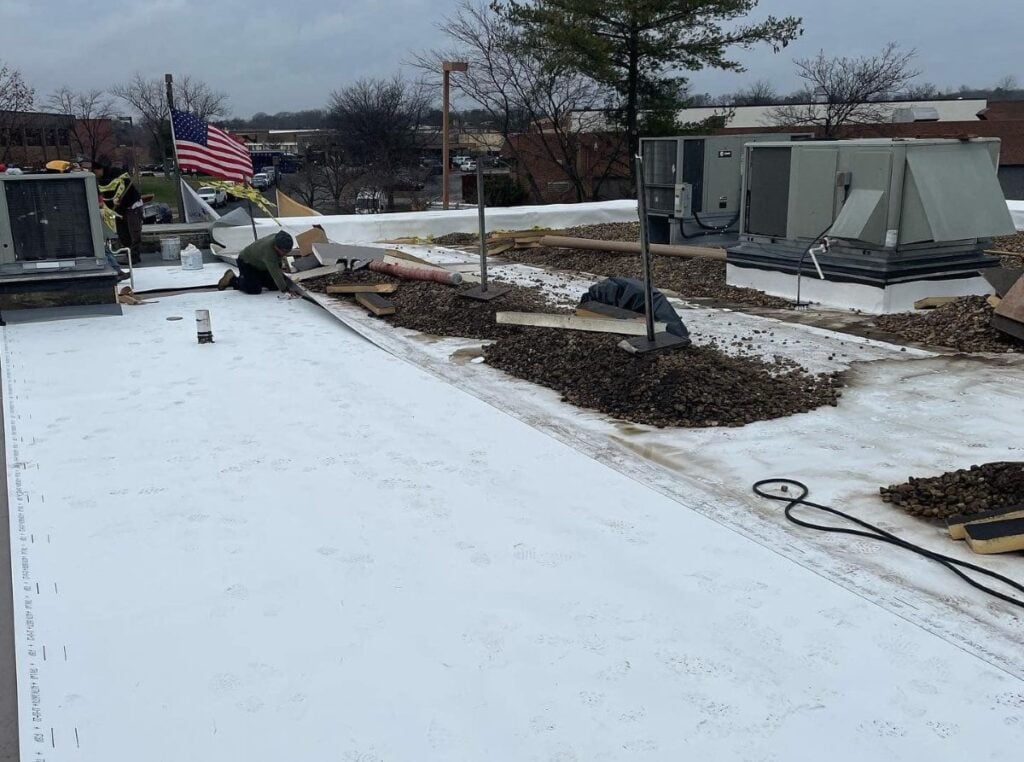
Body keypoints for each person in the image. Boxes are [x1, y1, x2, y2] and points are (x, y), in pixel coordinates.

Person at [91, 156, 143, 265]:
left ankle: (134, 256)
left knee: (134, 232)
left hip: (132, 205)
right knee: (122, 233)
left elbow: (125, 189)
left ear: (101, 169)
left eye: (96, 171)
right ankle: (128, 254)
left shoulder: (118, 174)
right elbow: (104, 195)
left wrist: (119, 200)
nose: (95, 174)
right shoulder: (101, 180)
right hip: (118, 210)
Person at [217, 230, 296, 296]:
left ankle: (255, 279)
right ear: (276, 247)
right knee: (254, 289)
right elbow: (275, 272)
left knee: (274, 286)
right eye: (284, 252)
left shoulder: (280, 239)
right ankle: (232, 279)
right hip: (247, 263)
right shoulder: (269, 252)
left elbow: (277, 267)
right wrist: (286, 290)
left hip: (261, 265)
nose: (285, 254)